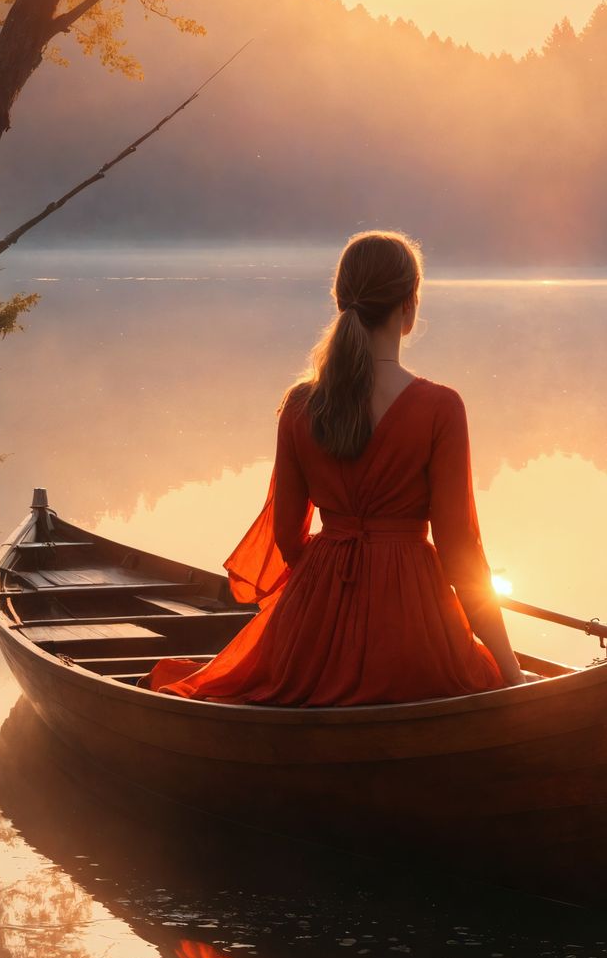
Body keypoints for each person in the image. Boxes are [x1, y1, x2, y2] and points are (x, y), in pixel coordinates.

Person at [150, 230, 526, 704]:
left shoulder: (301, 405)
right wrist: (512, 672)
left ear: (340, 301)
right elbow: (461, 554)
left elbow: (287, 536)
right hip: (413, 630)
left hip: (315, 619)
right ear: (409, 308)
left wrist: (325, 598)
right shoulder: (441, 407)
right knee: (478, 675)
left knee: (261, 684)